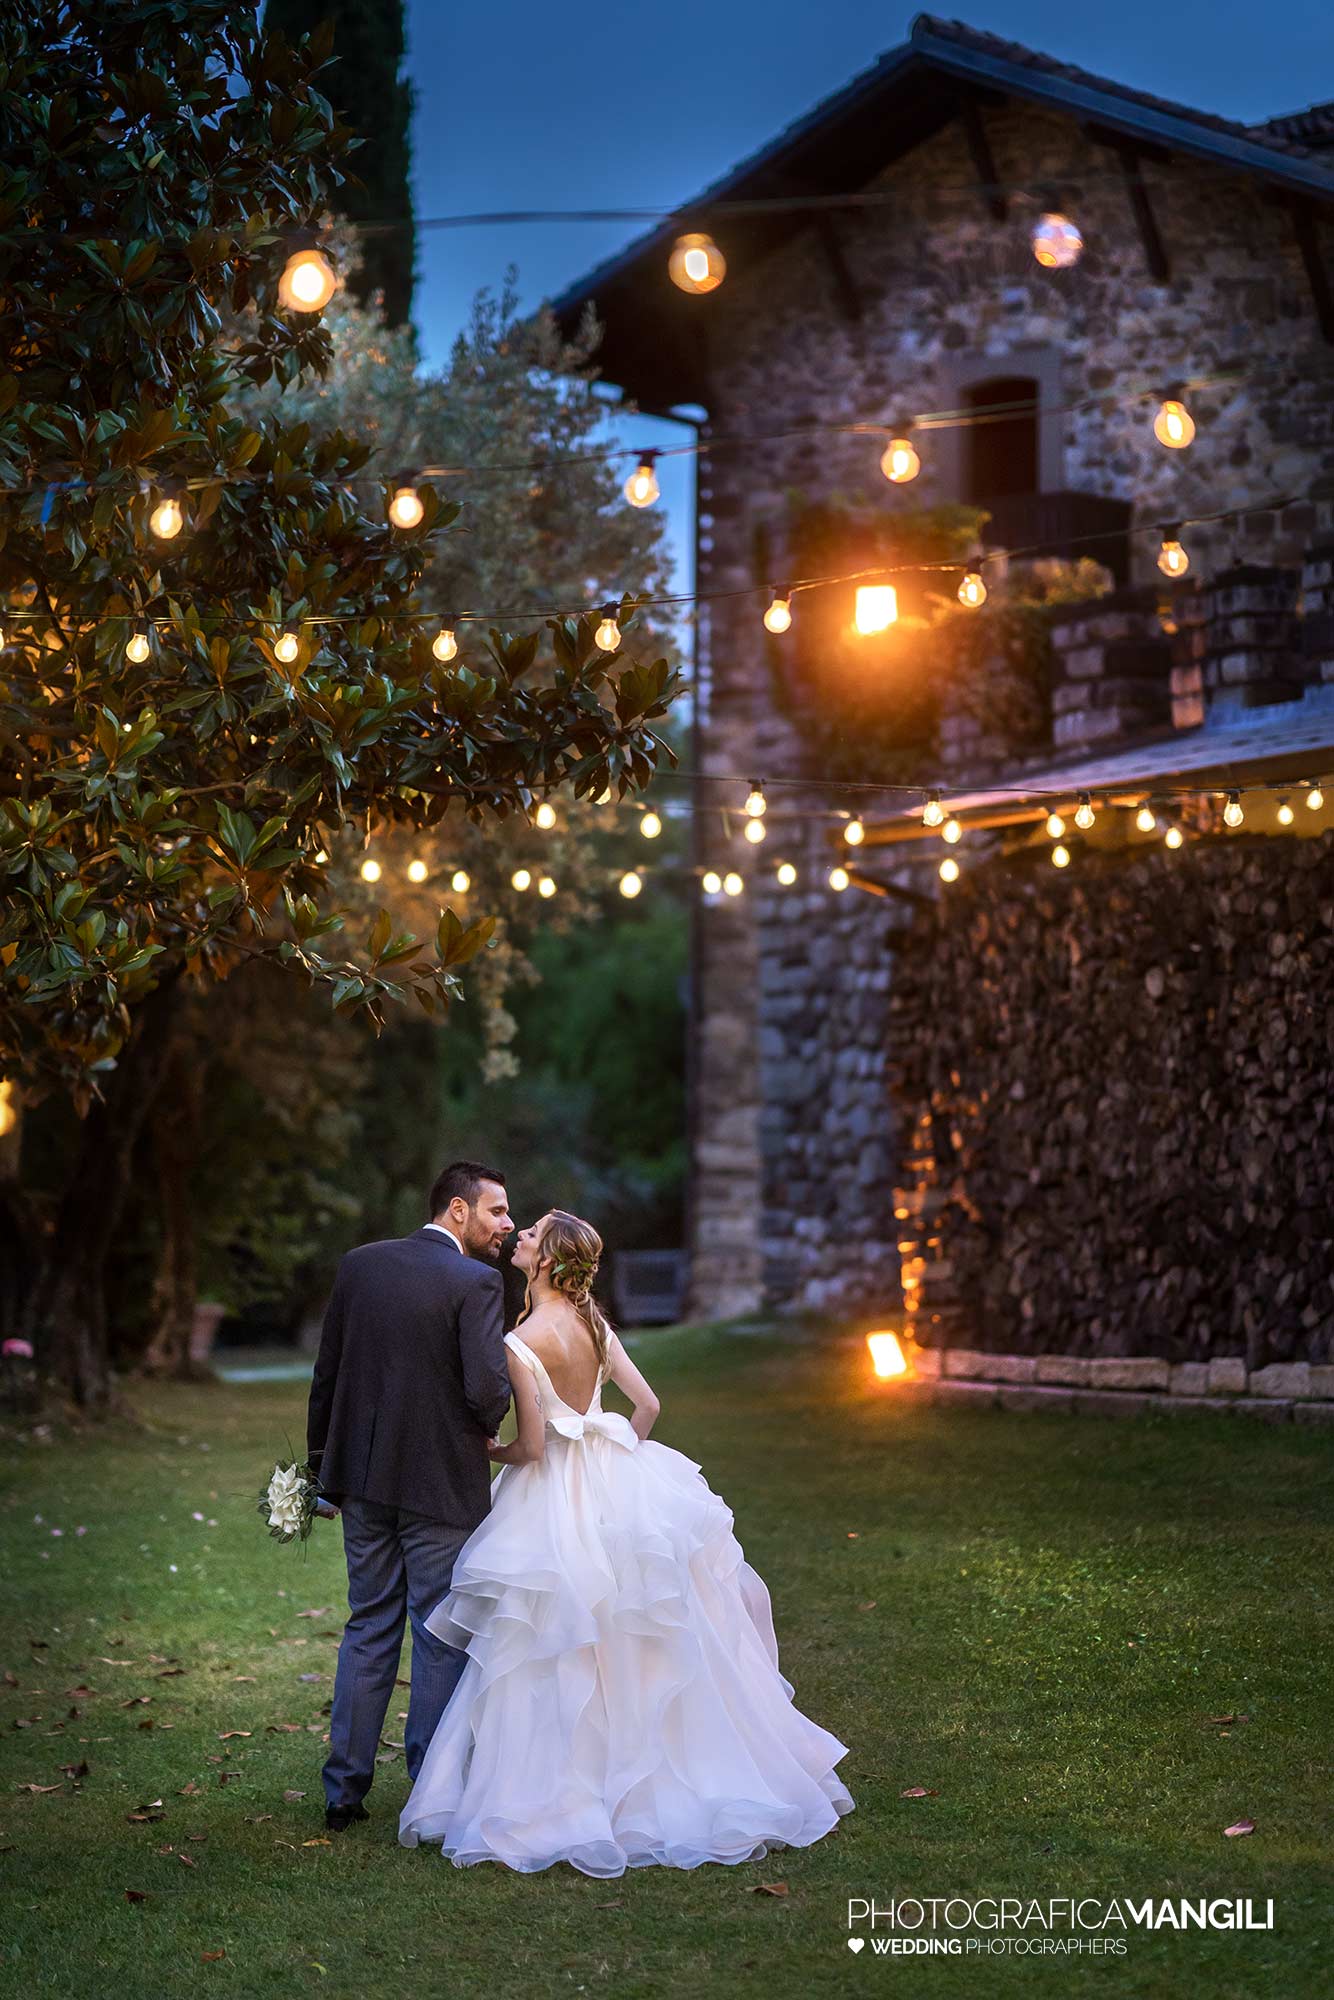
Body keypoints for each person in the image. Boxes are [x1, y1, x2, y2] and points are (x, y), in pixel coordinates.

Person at [399, 1209, 853, 1875]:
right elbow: (647, 1408)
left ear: (548, 1261)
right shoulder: (595, 1325)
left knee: (555, 1638)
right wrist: (617, 1461)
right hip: (620, 1484)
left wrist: (490, 1450)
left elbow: (530, 1444)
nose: (518, 1237)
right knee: (634, 1632)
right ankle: (655, 1771)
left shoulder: (521, 1342)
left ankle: (566, 1787)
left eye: (529, 1237)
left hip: (552, 1495)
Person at [307, 1161, 514, 1832]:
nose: (506, 1226)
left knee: (368, 1626)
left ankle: (344, 1792)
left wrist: (322, 1474)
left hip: (362, 1483)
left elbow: (328, 1375)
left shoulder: (359, 1266)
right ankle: (430, 1786)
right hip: (438, 1489)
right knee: (436, 1633)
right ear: (457, 1210)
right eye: (496, 1212)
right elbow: (487, 1388)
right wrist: (487, 1428)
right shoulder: (478, 1282)